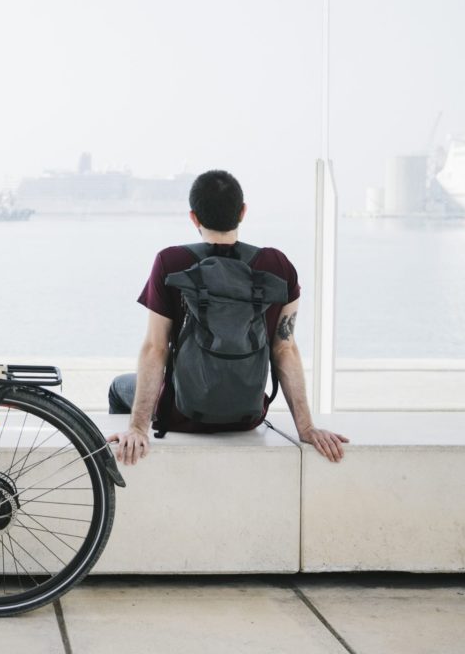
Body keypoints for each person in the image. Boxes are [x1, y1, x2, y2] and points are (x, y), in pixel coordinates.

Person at [106, 169, 348, 465]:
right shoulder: (277, 265)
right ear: (242, 212)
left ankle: (125, 467)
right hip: (247, 417)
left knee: (119, 387)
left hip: (180, 415)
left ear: (194, 217)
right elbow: (284, 349)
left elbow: (155, 348)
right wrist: (307, 428)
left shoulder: (171, 261)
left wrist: (138, 427)